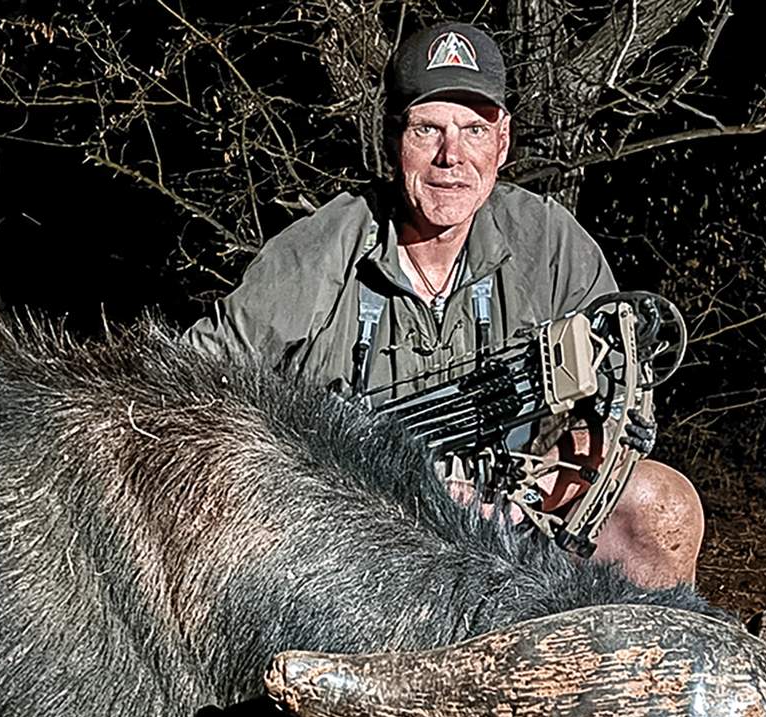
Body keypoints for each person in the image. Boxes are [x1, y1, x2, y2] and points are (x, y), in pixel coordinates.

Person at [186, 21, 704, 587]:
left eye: (473, 131)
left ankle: (636, 669)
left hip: (512, 520)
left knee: (663, 508)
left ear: (502, 141)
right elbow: (192, 388)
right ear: (392, 140)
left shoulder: (548, 243)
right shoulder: (316, 253)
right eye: (427, 130)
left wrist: (542, 476)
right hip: (348, 540)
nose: (450, 157)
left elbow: (615, 407)